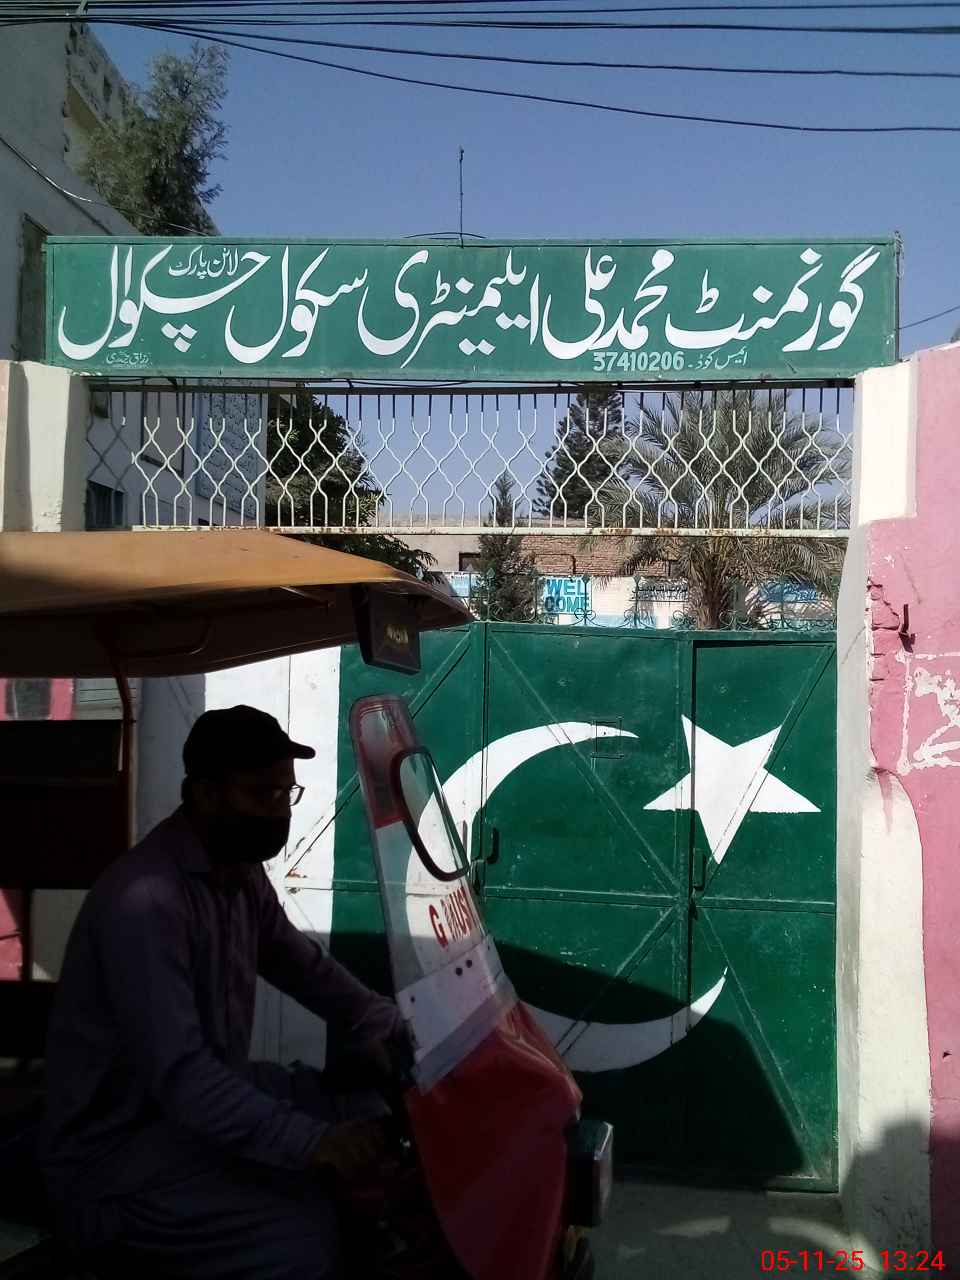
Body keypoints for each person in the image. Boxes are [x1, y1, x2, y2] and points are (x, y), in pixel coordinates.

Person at [41, 705, 407, 1280]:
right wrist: (315, 1143)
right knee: (303, 1239)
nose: (278, 811)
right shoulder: (146, 901)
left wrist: (383, 1022)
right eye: (261, 794)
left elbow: (298, 963)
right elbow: (182, 1075)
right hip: (118, 1154)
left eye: (285, 794)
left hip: (193, 1112)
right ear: (205, 794)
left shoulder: (237, 873)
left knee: (360, 1109)